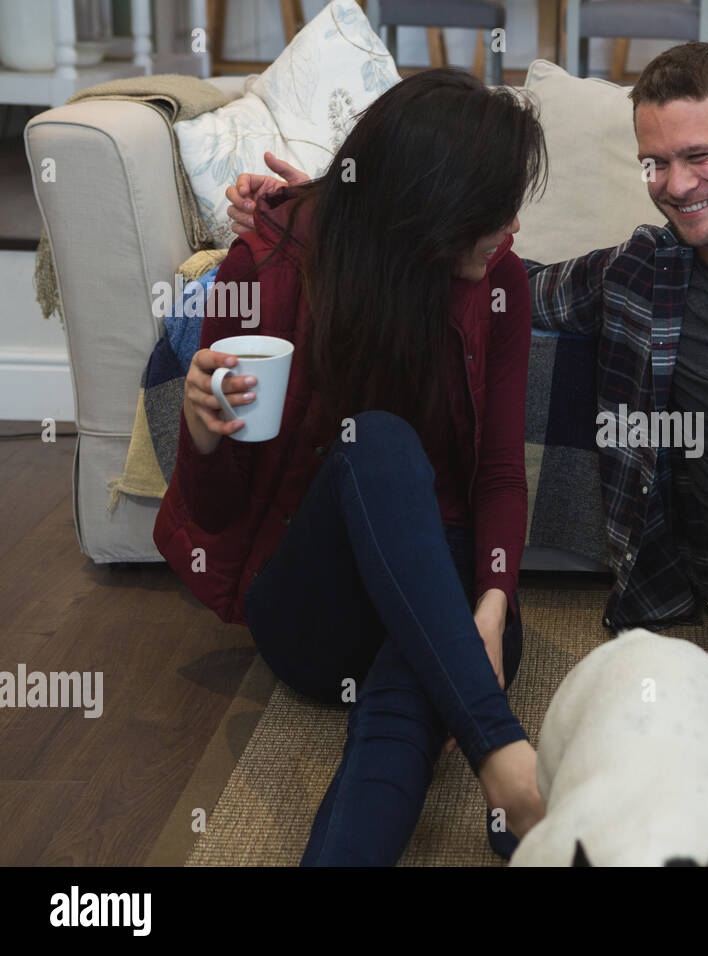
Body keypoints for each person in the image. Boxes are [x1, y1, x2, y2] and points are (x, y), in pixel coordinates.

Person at [228, 43, 708, 866]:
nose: (676, 186)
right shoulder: (639, 272)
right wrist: (314, 209)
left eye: (697, 156)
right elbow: (473, 255)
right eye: (654, 164)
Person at [157, 69, 548, 865]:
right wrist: (202, 438)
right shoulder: (264, 273)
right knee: (376, 441)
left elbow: (501, 475)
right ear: (424, 214)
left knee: (407, 701)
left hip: (439, 592)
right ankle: (507, 759)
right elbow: (223, 512)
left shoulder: (501, 285)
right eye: (492, 208)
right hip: (313, 607)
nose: (510, 226)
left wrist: (493, 605)